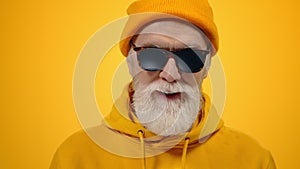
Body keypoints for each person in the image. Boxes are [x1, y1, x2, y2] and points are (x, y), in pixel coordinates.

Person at [50, 0, 276, 168]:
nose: (170, 74)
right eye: (152, 55)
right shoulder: (74, 158)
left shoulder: (253, 160)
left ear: (207, 66)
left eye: (189, 57)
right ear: (130, 60)